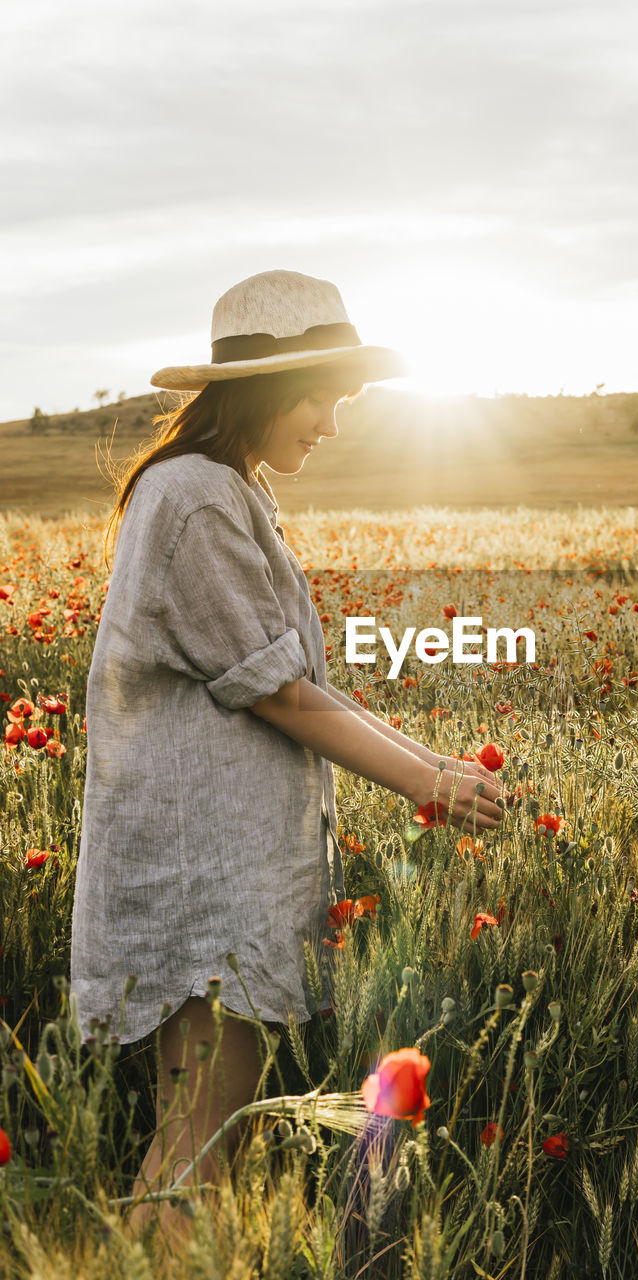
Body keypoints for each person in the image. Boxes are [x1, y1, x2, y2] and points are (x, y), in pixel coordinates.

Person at [68, 268, 505, 1240]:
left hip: (228, 872)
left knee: (206, 1140)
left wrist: (437, 768)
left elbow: (297, 681)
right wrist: (433, 781)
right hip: (201, 881)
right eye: (319, 399)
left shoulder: (229, 491)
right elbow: (280, 693)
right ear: (262, 390)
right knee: (197, 1143)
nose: (331, 424)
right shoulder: (193, 499)